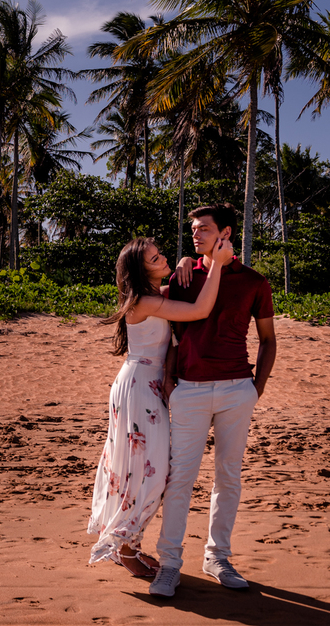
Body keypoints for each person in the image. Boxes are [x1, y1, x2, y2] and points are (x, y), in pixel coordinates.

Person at [148, 203, 277, 598]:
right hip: (190, 390)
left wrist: (256, 388)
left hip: (237, 389)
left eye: (204, 229)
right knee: (180, 479)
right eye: (193, 230)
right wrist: (172, 381)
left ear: (225, 233)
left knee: (229, 477)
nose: (196, 234)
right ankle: (169, 564)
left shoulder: (255, 282)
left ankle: (217, 557)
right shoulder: (183, 277)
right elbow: (171, 337)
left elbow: (269, 340)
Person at [88, 234, 233, 577]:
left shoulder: (155, 296)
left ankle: (129, 545)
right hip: (138, 387)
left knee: (144, 469)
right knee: (148, 472)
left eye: (161, 254)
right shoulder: (144, 302)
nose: (163, 259)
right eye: (155, 259)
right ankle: (125, 547)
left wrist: (185, 263)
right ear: (140, 271)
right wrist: (219, 267)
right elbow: (200, 309)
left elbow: (179, 297)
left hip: (146, 385)